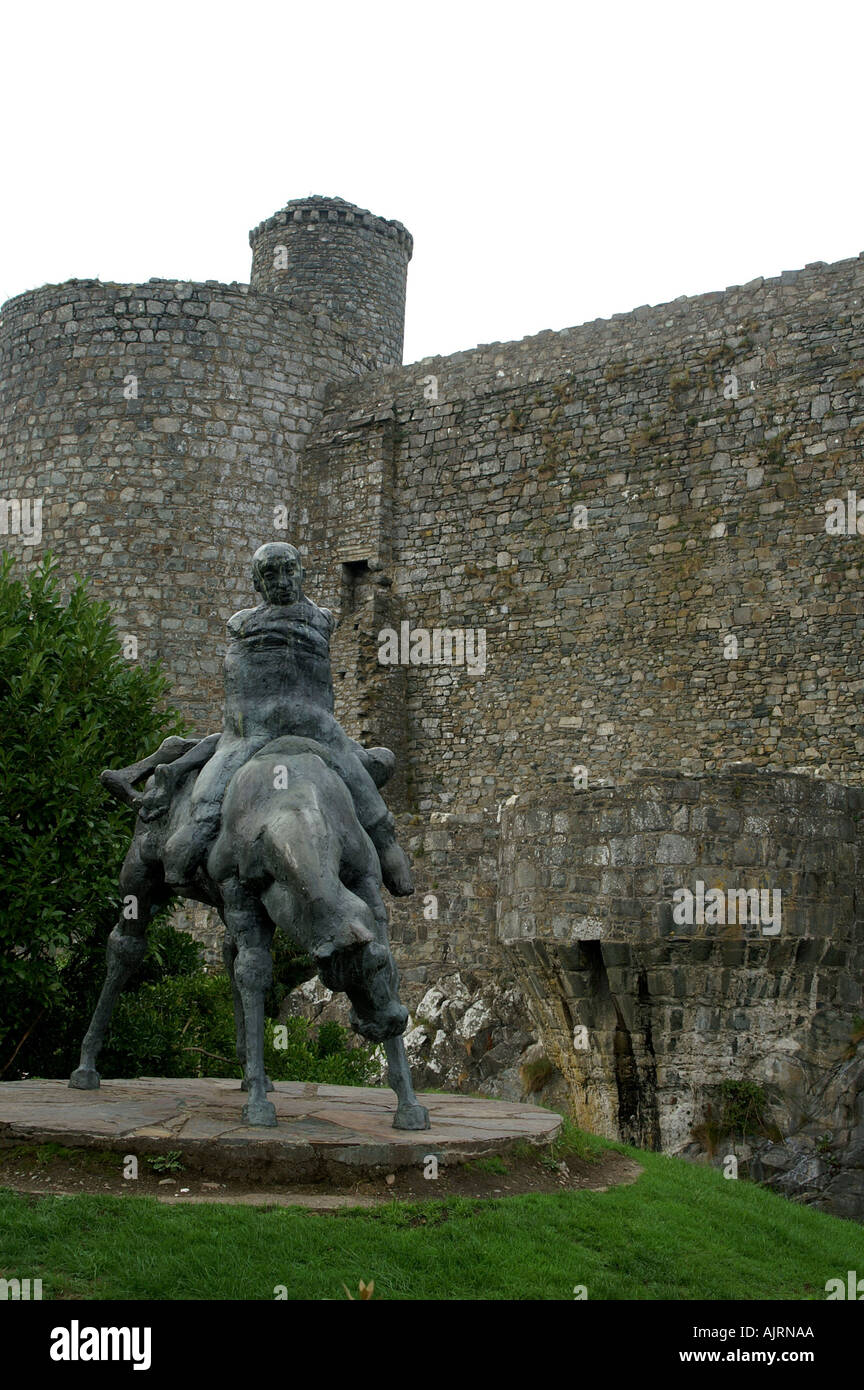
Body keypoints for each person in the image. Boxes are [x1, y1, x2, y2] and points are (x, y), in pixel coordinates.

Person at [109, 542, 414, 897]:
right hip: (256, 730)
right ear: (257, 584)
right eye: (270, 575)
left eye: (289, 571)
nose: (282, 581)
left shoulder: (324, 619)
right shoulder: (242, 625)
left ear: (302, 573)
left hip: (319, 729)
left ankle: (386, 844)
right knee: (213, 788)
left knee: (364, 782)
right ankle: (200, 829)